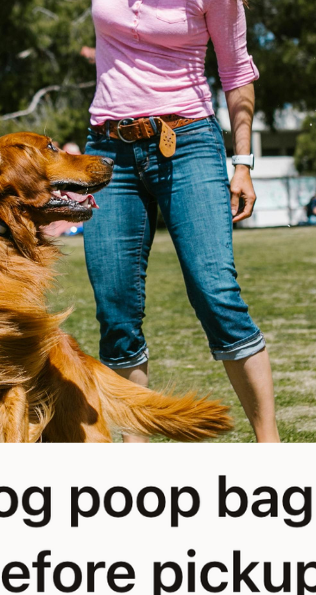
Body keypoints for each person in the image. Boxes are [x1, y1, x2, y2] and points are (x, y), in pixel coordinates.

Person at [82, 0, 279, 443]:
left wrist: (242, 163)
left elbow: (237, 73)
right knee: (115, 309)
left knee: (216, 294)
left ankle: (271, 449)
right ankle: (136, 447)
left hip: (187, 141)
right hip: (109, 149)